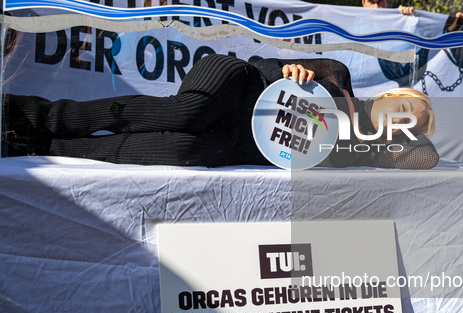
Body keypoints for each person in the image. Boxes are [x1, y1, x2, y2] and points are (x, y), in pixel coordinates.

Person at [3, 54, 439, 170]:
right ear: (388, 95)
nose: (401, 115)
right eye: (404, 105)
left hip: (239, 144)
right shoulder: (339, 76)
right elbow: (264, 64)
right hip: (236, 85)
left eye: (410, 121)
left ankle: (42, 145)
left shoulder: (364, 149)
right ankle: (29, 114)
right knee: (185, 114)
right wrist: (287, 70)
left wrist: (411, 135)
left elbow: (427, 157)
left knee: (179, 150)